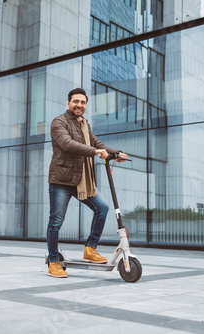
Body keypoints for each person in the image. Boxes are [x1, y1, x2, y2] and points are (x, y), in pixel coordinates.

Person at [47, 88, 128, 278]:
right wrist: (94, 152)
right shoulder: (59, 122)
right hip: (62, 179)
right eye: (76, 101)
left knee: (103, 208)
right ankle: (53, 262)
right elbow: (67, 144)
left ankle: (90, 249)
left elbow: (97, 144)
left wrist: (116, 153)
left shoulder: (84, 124)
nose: (79, 105)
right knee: (56, 222)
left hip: (81, 180)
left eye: (83, 102)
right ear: (68, 103)